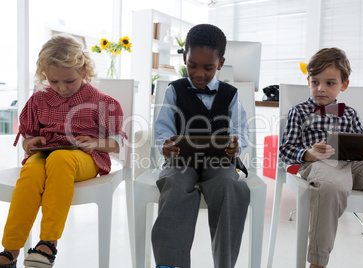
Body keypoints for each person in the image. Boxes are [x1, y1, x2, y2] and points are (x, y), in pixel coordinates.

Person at [0, 34, 126, 268]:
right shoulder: (38, 100)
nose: (61, 88)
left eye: (69, 81)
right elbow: (27, 138)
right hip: (45, 156)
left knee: (60, 159)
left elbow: (116, 144)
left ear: (84, 71)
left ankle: (48, 243)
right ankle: (10, 250)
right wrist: (32, 142)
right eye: (54, 81)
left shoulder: (102, 102)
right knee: (31, 173)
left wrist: (94, 142)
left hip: (86, 158)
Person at [279, 47, 363, 268]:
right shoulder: (299, 112)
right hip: (320, 164)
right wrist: (308, 153)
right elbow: (286, 150)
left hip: (355, 165)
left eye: (330, 83)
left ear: (343, 85)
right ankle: (318, 262)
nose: (321, 89)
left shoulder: (351, 114)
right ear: (308, 81)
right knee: (331, 186)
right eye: (315, 82)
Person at [151, 24, 250, 268]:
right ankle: (170, 263)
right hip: (181, 160)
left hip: (218, 161)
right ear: (185, 57)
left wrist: (236, 144)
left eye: (208, 67)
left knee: (228, 185)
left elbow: (240, 130)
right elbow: (163, 127)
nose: (198, 73)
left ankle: (224, 263)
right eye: (192, 65)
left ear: (221, 62)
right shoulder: (174, 91)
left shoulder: (230, 94)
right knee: (175, 184)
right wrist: (166, 143)